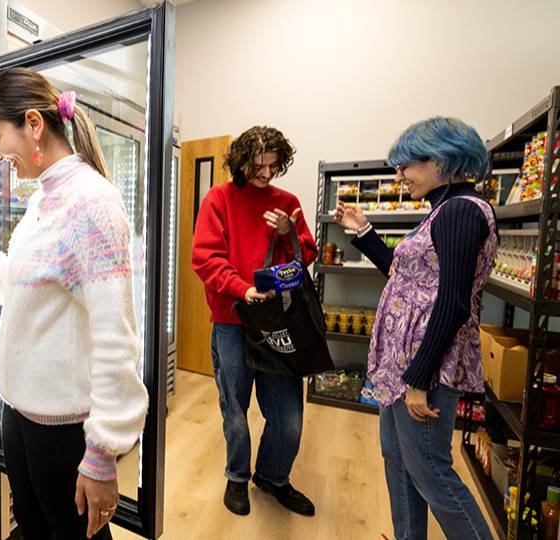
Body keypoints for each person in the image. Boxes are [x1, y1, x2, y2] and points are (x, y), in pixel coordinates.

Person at [0, 67, 148, 540]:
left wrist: (101, 453)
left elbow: (115, 336)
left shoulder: (91, 205)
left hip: (62, 429)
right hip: (21, 414)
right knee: (36, 530)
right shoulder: (44, 200)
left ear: (33, 124)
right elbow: (28, 290)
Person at [335, 117, 497, 539]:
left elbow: (454, 302)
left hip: (424, 369)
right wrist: (365, 231)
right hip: (403, 368)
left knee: (431, 472)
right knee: (398, 458)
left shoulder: (461, 210)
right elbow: (404, 276)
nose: (399, 175)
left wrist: (419, 379)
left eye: (406, 165)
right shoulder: (442, 211)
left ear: (440, 160)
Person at [191, 126, 319, 517]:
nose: (266, 174)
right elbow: (205, 258)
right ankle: (236, 476)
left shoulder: (287, 202)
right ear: (241, 161)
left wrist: (288, 232)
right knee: (235, 406)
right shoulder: (219, 199)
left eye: (273, 166)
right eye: (258, 165)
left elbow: (304, 258)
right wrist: (242, 289)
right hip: (231, 319)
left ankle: (273, 477)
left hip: (278, 321)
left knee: (288, 414)